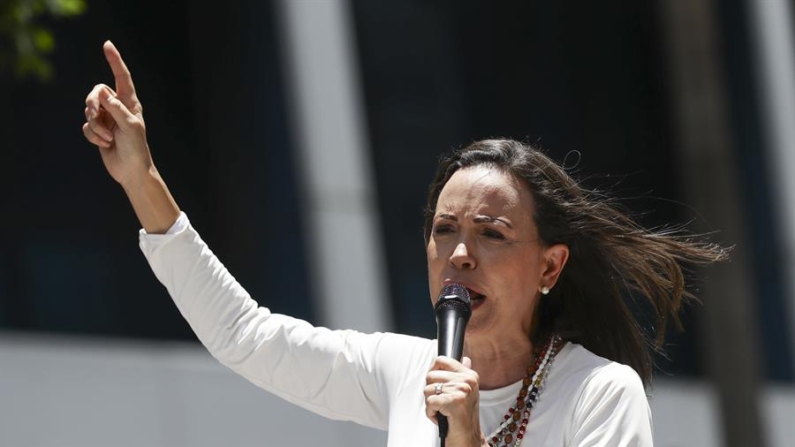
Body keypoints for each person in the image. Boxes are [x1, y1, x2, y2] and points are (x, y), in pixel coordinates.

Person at [81, 41, 727, 447]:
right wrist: (141, 178)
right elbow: (245, 335)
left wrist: (467, 440)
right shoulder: (403, 371)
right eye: (444, 230)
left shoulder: (599, 393)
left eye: (490, 234)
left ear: (550, 265)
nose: (459, 253)